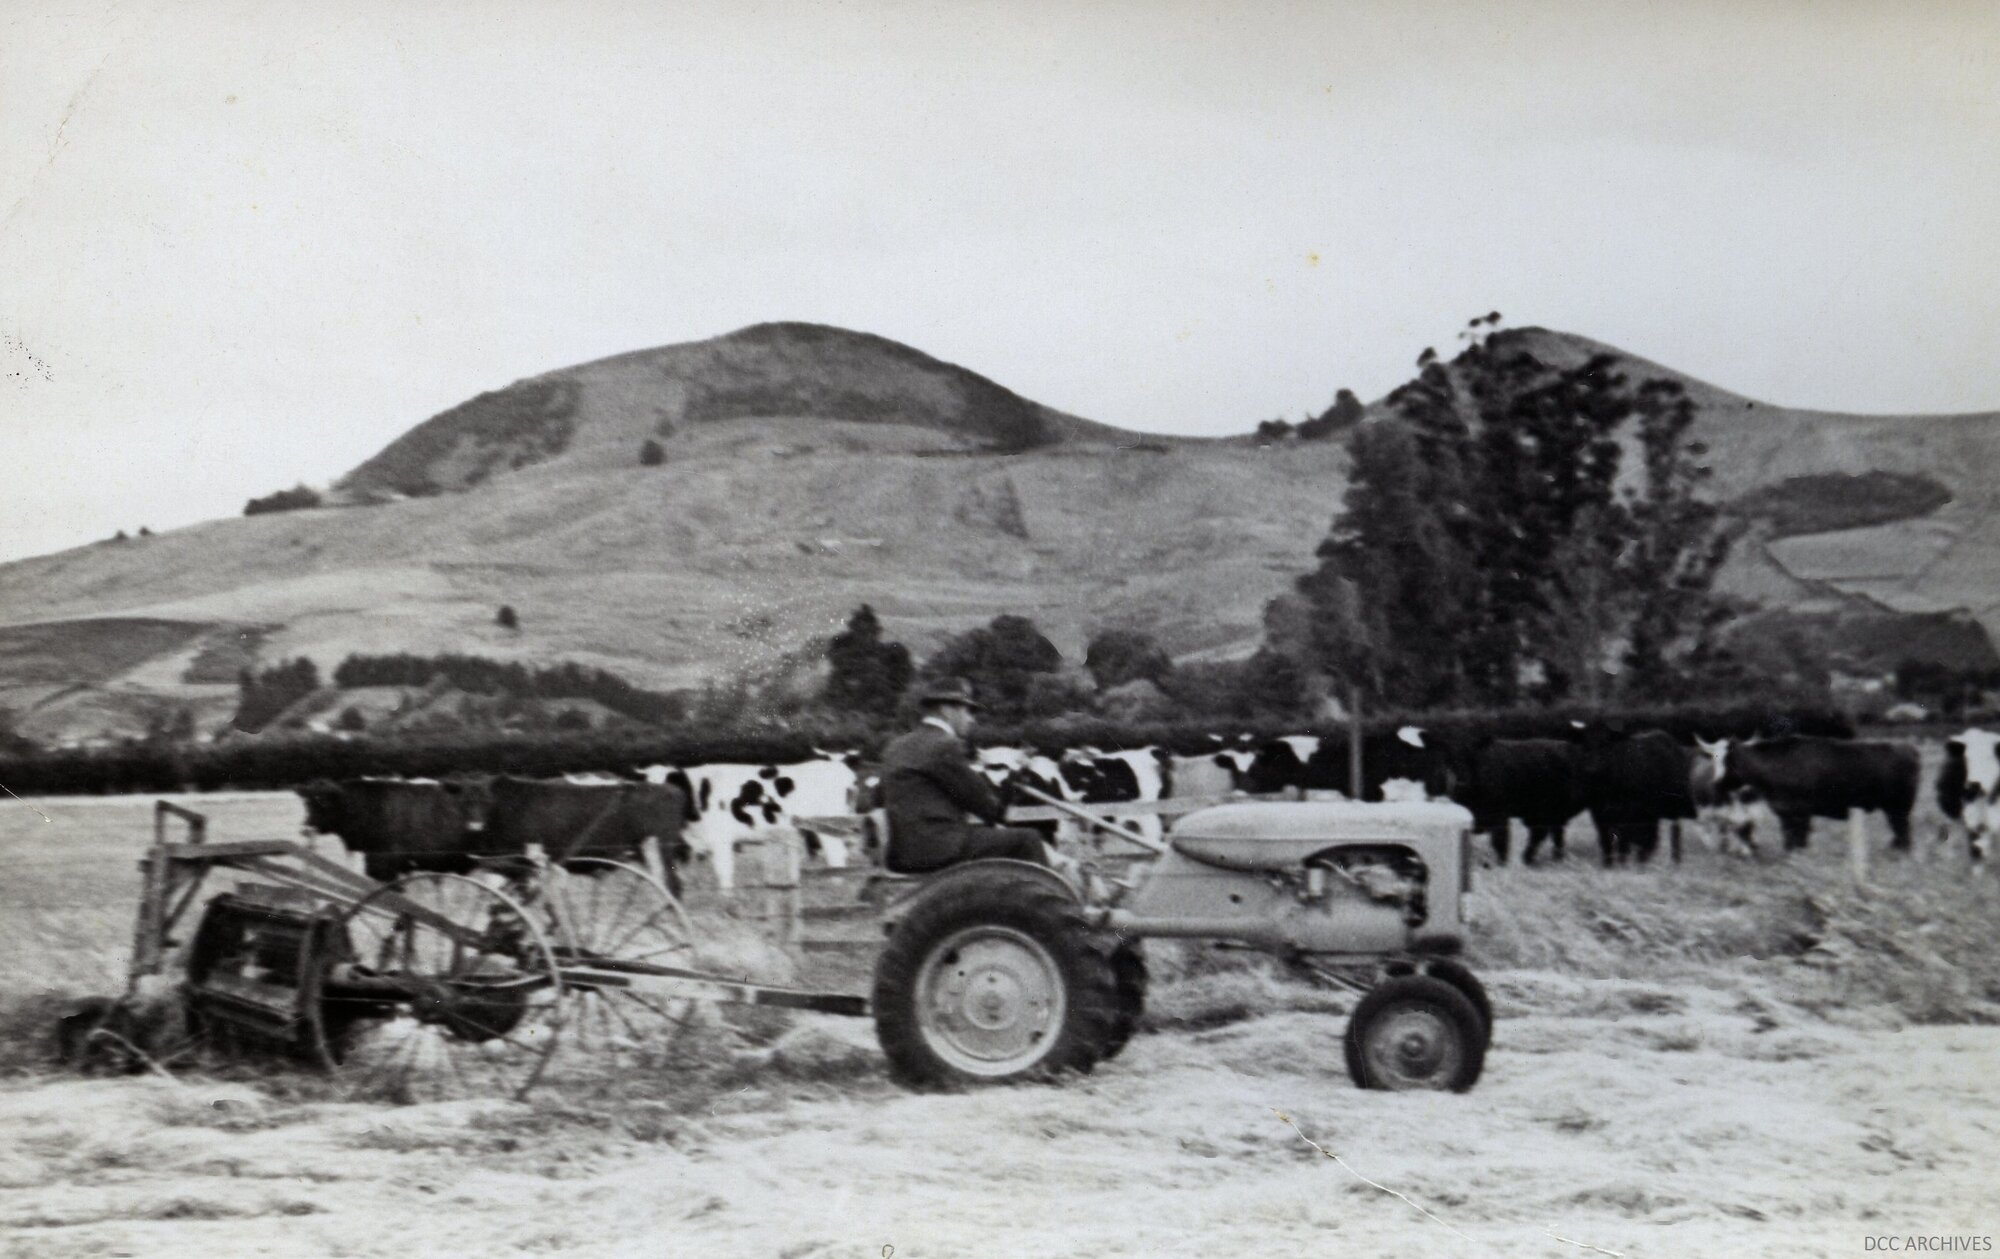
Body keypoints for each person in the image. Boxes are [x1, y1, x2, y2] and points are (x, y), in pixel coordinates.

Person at [878, 677, 1051, 873]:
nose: (971, 719)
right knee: (1027, 839)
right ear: (947, 710)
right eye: (967, 710)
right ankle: (1047, 893)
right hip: (939, 848)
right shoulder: (944, 744)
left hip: (902, 854)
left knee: (992, 837)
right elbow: (988, 808)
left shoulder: (895, 746)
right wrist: (1013, 780)